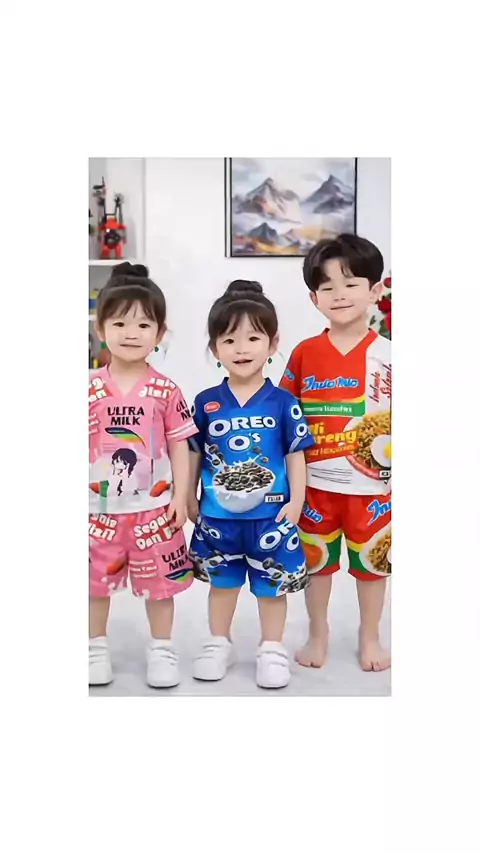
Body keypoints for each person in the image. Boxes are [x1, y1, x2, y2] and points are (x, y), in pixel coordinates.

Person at [187, 280, 314, 689]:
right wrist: (188, 496)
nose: (241, 349)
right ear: (214, 349)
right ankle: (218, 643)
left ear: (273, 343)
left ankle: (272, 649)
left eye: (253, 338)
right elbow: (193, 452)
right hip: (218, 517)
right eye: (229, 339)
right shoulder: (206, 401)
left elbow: (295, 453)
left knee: (272, 587)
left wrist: (296, 501)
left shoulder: (284, 403)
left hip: (272, 516)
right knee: (222, 585)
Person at [280, 234, 391, 672]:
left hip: (373, 489)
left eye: (350, 283)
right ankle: (317, 632)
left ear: (375, 290)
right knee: (316, 565)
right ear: (314, 298)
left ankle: (370, 637)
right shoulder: (305, 353)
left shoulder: (388, 355)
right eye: (327, 287)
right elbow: (284, 415)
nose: (339, 294)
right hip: (314, 487)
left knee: (373, 566)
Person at [89, 262, 197, 689]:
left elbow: (180, 444)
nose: (130, 333)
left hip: (155, 511)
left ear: (159, 333)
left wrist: (180, 496)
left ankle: (162, 649)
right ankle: (94, 649)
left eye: (143, 324)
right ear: (100, 329)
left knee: (162, 586)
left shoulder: (166, 390)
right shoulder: (87, 388)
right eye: (119, 323)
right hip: (97, 512)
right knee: (94, 585)